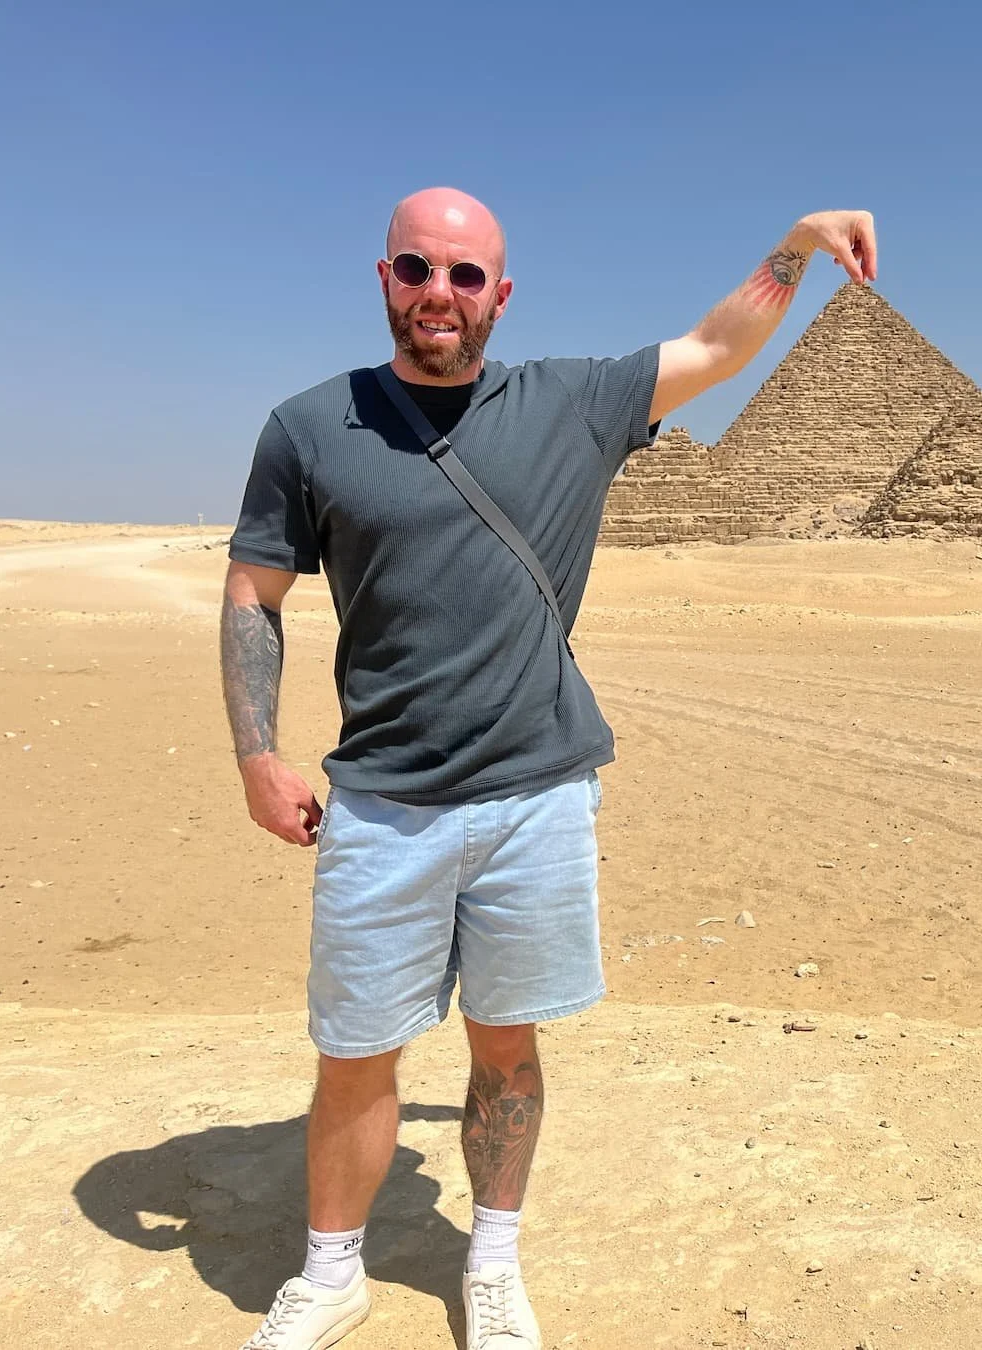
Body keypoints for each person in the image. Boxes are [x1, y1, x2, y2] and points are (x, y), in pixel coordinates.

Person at [221, 188, 876, 1350]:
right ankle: (331, 1274)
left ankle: (492, 1262)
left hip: (537, 800)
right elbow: (252, 593)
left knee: (507, 1049)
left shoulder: (572, 403)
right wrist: (256, 756)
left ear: (501, 294)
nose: (439, 293)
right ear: (384, 276)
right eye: (416, 268)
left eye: (465, 275)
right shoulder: (309, 428)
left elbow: (717, 345)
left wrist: (796, 245)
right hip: (382, 804)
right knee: (355, 1054)